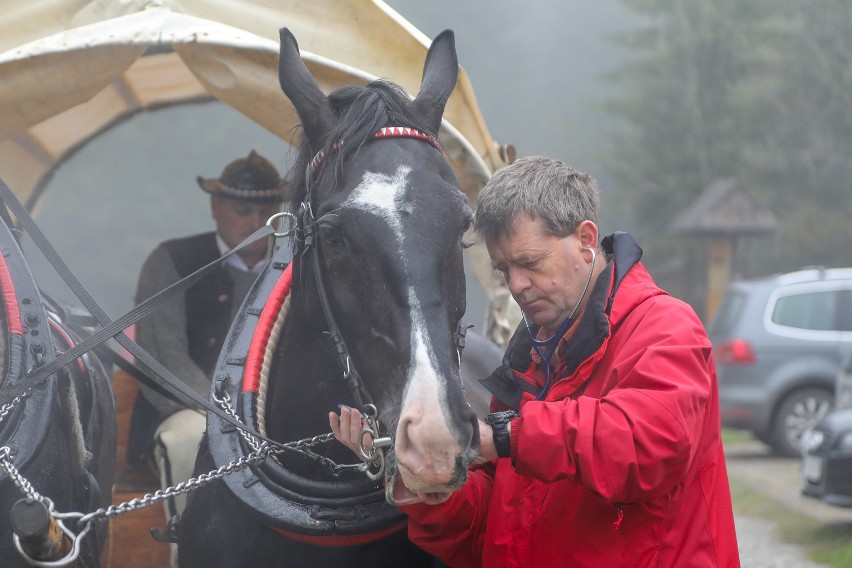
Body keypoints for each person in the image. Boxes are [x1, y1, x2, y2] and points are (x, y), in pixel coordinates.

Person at [332, 156, 740, 567]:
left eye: (529, 262)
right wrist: (419, 474)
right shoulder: (530, 355)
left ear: (584, 239)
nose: (516, 286)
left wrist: (504, 437)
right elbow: (489, 531)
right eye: (503, 269)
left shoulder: (665, 327)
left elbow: (648, 445)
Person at [128, 150, 286, 536]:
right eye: (242, 211)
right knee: (189, 441)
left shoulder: (297, 262)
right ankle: (192, 551)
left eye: (266, 211)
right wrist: (225, 417)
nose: (255, 222)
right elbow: (163, 356)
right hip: (187, 408)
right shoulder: (171, 261)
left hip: (276, 413)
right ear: (215, 208)